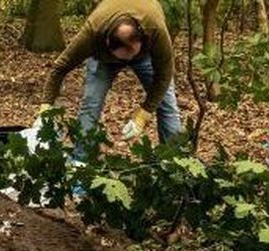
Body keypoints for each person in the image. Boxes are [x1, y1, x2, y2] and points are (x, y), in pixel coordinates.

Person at [41, 0, 183, 147]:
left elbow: (165, 74)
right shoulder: (93, 31)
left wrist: (144, 113)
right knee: (91, 103)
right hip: (104, 60)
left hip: (145, 56)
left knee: (167, 104)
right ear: (108, 42)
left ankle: (174, 158)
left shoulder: (155, 28)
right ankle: (81, 159)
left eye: (132, 53)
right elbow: (60, 68)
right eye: (124, 57)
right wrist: (46, 107)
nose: (128, 61)